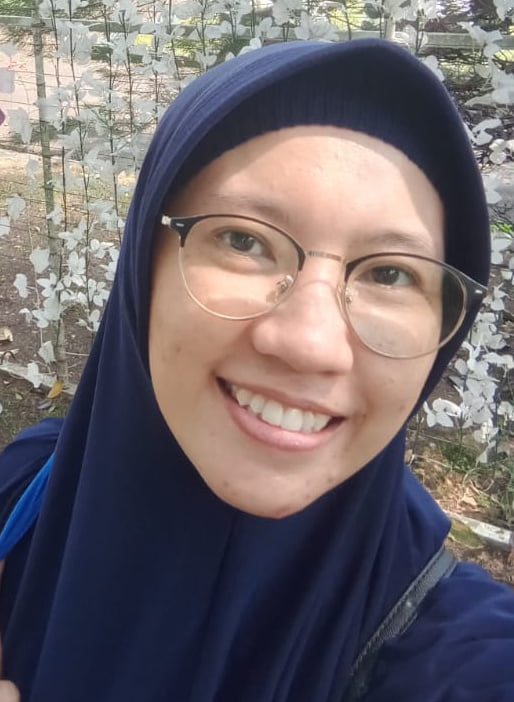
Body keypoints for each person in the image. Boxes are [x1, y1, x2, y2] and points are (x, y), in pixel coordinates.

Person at [0, 38, 513, 702]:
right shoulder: (28, 485)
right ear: (141, 271)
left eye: (391, 274)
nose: (310, 344)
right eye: (243, 240)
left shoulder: (462, 661)